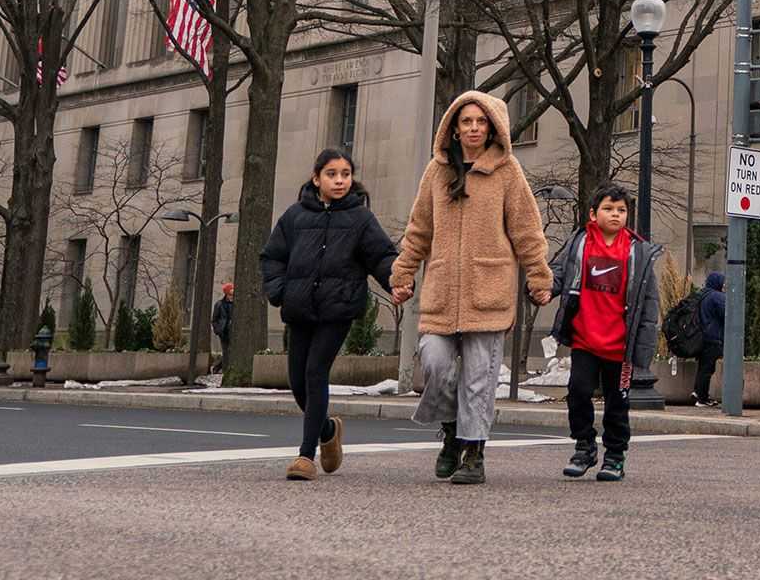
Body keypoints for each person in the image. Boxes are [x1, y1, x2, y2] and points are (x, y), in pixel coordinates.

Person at [389, 90, 552, 487]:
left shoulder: (508, 171)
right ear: (454, 129)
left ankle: (473, 451)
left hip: (489, 291)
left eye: (481, 122)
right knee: (435, 364)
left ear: (493, 127)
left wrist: (538, 276)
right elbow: (419, 230)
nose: (474, 128)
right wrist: (403, 273)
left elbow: (527, 231)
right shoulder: (437, 171)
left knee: (479, 377)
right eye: (467, 122)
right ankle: (450, 429)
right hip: (443, 292)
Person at [260, 147, 398, 481]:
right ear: (316, 178)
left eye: (345, 174)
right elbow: (272, 256)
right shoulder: (295, 216)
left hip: (338, 307)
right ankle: (327, 430)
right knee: (297, 382)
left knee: (315, 371)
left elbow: (381, 255)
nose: (339, 181)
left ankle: (306, 456)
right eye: (332, 174)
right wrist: (279, 290)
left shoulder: (360, 218)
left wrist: (396, 282)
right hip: (299, 306)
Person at [552, 182, 662, 481]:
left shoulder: (637, 252)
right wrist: (538, 287)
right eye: (608, 209)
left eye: (622, 210)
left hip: (620, 347)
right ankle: (584, 446)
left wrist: (644, 347)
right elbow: (559, 276)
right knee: (578, 392)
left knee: (618, 402)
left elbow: (650, 303)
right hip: (585, 339)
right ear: (593, 213)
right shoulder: (580, 243)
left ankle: (615, 456)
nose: (615, 215)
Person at [693, 269, 727, 407]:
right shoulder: (717, 297)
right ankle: (702, 398)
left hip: (700, 337)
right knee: (708, 368)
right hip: (713, 337)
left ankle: (697, 391)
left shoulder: (702, 295)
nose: (724, 285)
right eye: (722, 282)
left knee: (703, 367)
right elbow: (727, 315)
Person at [210, 282, 234, 362]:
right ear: (226, 294)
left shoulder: (236, 304)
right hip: (224, 332)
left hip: (234, 332)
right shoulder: (219, 304)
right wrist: (218, 330)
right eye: (230, 294)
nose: (232, 296)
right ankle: (224, 370)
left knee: (232, 353)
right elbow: (214, 319)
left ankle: (219, 367)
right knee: (226, 352)